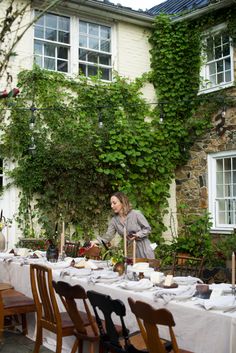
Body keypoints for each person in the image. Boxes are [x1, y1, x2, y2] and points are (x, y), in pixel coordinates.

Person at [92, 191, 155, 259]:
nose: (112, 206)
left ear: (122, 202)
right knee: (130, 269)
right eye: (111, 203)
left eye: (114, 203)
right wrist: (94, 242)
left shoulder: (136, 214)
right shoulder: (114, 221)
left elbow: (147, 229)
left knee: (146, 269)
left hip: (144, 249)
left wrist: (137, 235)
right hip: (130, 251)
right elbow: (108, 237)